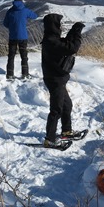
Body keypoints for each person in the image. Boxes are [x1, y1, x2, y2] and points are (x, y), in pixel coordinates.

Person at [40, 13, 85, 147]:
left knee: (67, 106)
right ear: (54, 26)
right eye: (58, 24)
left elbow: (66, 43)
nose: (60, 27)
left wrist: (73, 31)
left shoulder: (52, 38)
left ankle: (66, 131)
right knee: (56, 110)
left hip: (58, 79)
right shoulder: (50, 41)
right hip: (55, 80)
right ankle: (50, 139)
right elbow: (72, 48)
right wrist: (76, 32)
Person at [3, 0, 39, 79]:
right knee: (24, 56)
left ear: (14, 2)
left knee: (11, 56)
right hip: (23, 37)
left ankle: (10, 74)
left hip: (12, 37)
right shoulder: (25, 10)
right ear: (22, 1)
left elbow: (5, 23)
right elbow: (35, 16)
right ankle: (25, 74)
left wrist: (12, 27)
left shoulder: (10, 11)